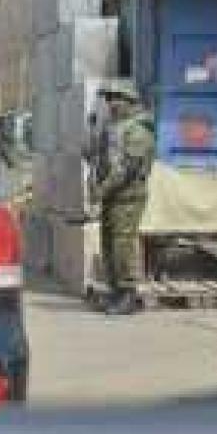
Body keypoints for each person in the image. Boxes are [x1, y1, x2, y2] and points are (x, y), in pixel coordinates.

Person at [93, 80, 156, 316]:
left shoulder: (138, 129)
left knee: (122, 246)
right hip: (113, 195)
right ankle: (115, 291)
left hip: (128, 196)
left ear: (128, 99)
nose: (110, 104)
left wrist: (103, 189)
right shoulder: (114, 127)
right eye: (107, 99)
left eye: (114, 98)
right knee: (108, 244)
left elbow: (128, 168)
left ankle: (128, 294)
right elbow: (102, 159)